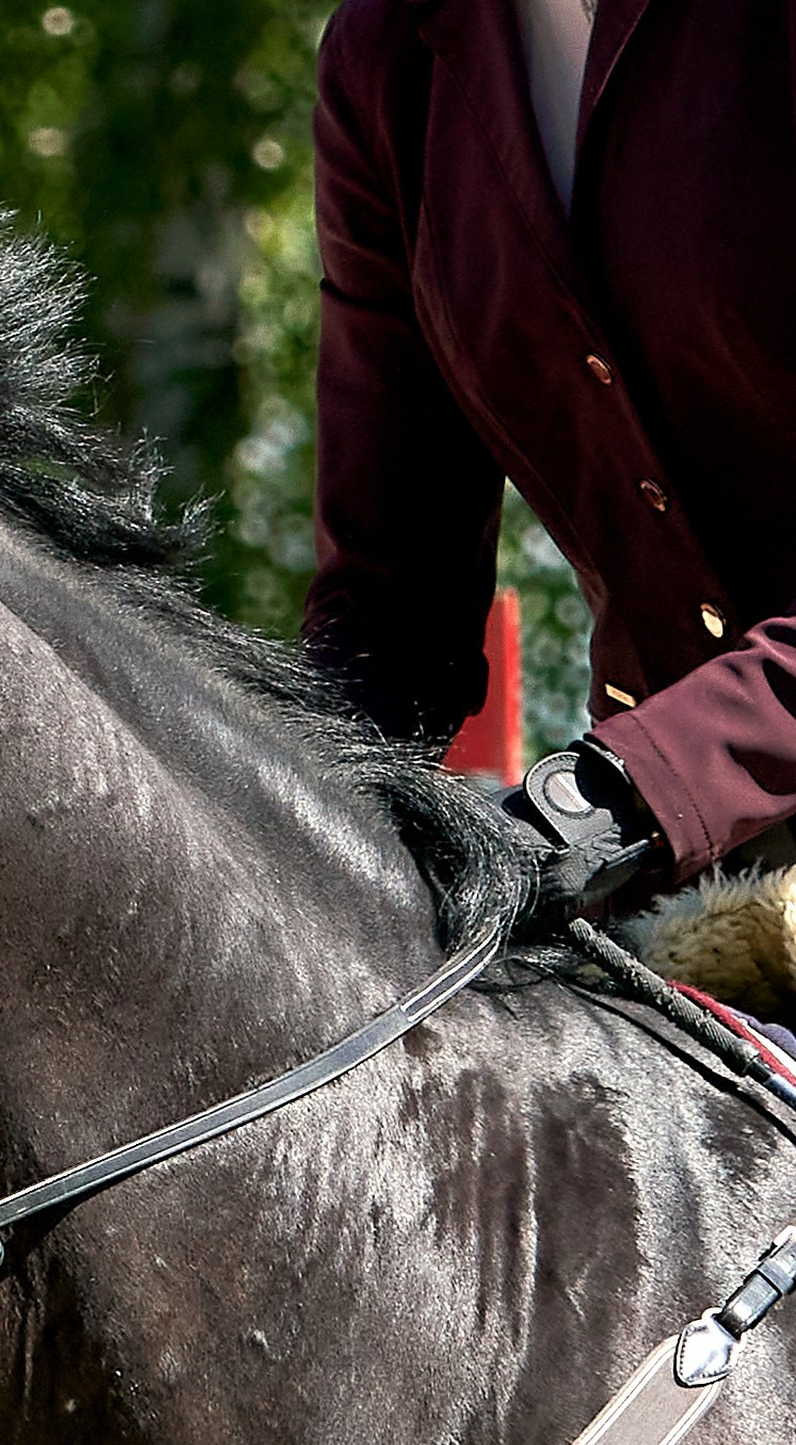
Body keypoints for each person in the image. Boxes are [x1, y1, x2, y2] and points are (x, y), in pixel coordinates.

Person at [304, 0, 796, 937]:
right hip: (683, 888)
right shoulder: (384, 59)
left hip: (651, 819)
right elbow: (388, 614)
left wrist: (610, 797)